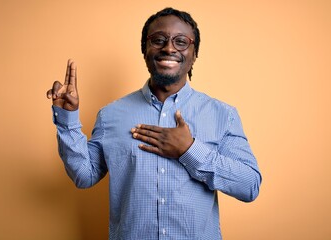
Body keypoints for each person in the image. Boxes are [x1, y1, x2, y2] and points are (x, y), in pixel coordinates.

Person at [46, 7, 261, 240]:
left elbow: (249, 186)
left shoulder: (222, 115)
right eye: (158, 40)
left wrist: (190, 150)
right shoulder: (110, 115)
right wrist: (68, 119)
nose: (169, 48)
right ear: (145, 50)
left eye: (181, 41)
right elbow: (84, 175)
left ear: (194, 53)